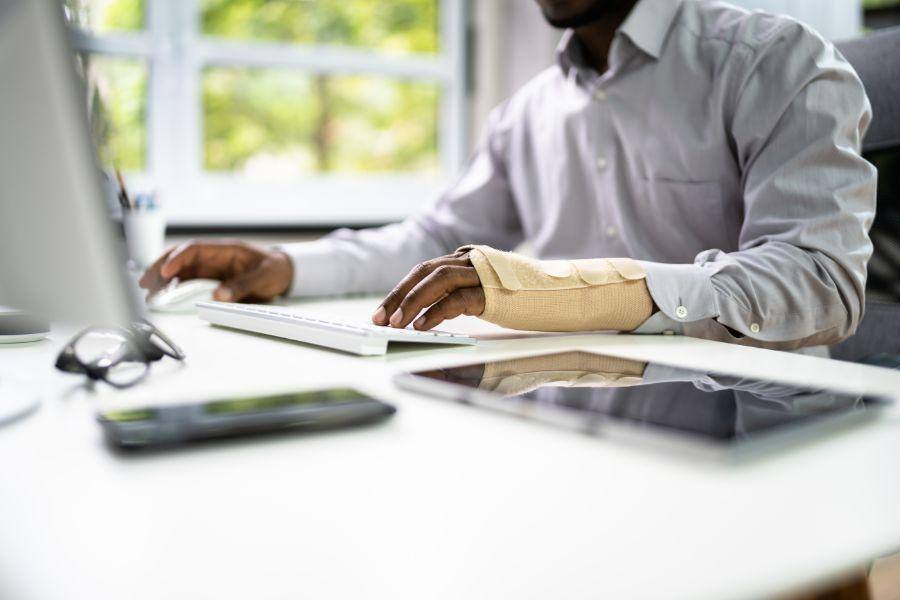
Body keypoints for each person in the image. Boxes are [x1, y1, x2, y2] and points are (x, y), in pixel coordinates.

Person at [140, 0, 877, 350]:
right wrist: (284, 264)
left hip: (751, 416)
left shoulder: (775, 63)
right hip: (568, 401)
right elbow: (436, 240)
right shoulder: (527, 111)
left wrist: (561, 293)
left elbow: (822, 280)